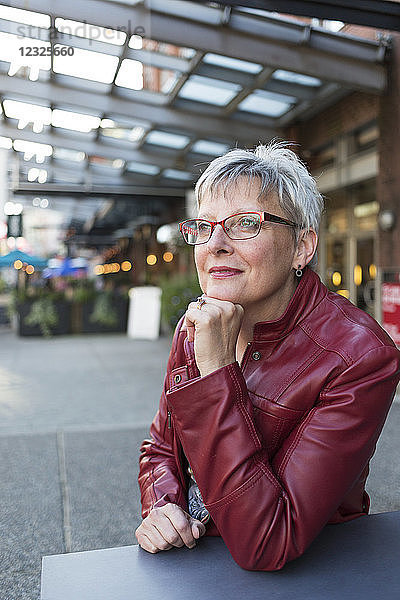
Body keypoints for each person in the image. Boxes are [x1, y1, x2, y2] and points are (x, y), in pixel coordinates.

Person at [135, 141, 400, 571]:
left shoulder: (359, 356)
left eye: (244, 223)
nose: (215, 244)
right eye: (203, 226)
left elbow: (269, 542)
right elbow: (161, 447)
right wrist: (162, 505)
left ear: (302, 247)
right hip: (196, 562)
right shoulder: (199, 323)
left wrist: (217, 372)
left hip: (315, 578)